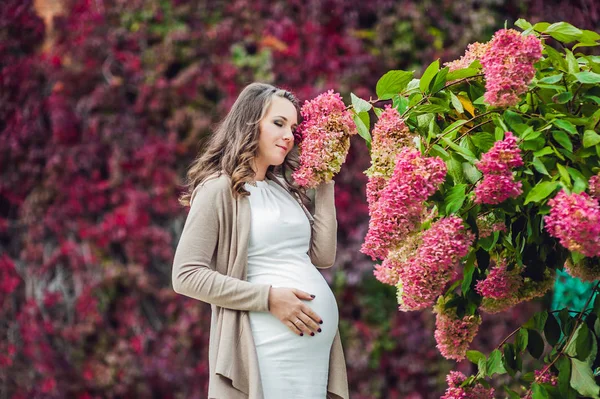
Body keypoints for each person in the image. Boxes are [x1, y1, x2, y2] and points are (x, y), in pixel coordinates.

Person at [171, 82, 349, 399]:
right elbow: (186, 275)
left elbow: (323, 256)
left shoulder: (283, 189)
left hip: (310, 355)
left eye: (293, 127)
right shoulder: (219, 190)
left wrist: (325, 179)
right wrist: (267, 298)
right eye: (278, 123)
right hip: (265, 345)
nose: (289, 135)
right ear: (250, 123)